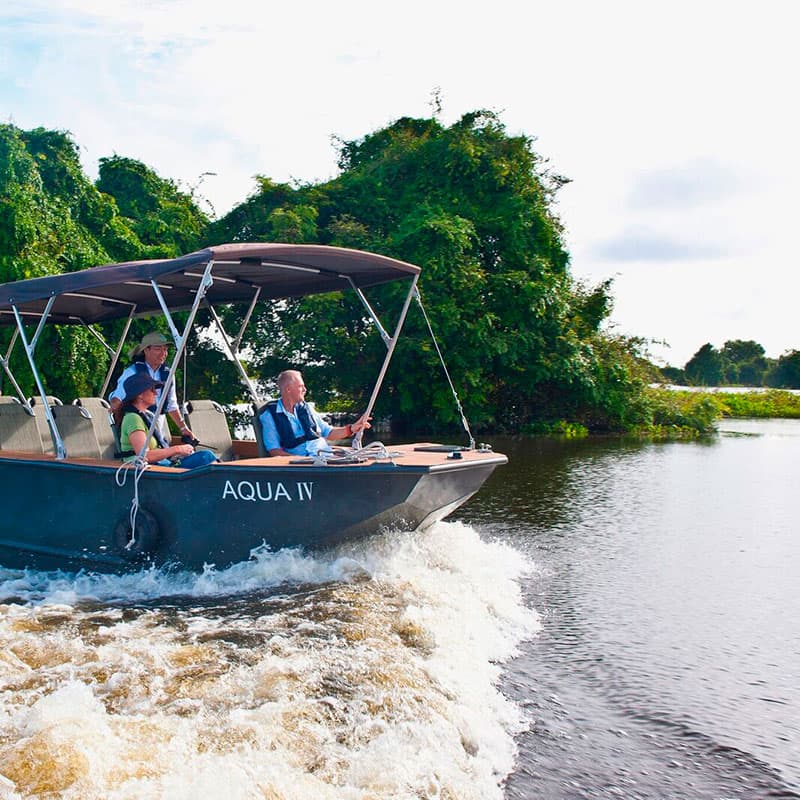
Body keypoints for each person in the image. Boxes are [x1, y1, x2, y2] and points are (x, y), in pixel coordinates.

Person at [260, 369, 371, 457]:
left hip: (325, 456)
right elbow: (274, 451)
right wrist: (300, 461)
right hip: (306, 464)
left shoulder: (306, 408)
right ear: (288, 389)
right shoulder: (269, 416)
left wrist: (352, 428)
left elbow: (329, 433)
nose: (305, 389)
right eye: (301, 386)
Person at [108, 331, 195, 441]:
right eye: (158, 349)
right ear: (146, 350)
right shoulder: (132, 372)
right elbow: (116, 399)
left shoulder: (168, 374)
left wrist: (183, 428)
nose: (163, 353)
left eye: (165, 349)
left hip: (158, 430)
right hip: (138, 428)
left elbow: (171, 406)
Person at [118, 373, 216, 468]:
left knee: (205, 456)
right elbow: (144, 456)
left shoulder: (147, 416)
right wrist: (178, 449)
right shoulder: (133, 418)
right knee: (205, 457)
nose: (156, 393)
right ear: (140, 395)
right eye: (152, 389)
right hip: (146, 471)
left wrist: (176, 454)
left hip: (161, 466)